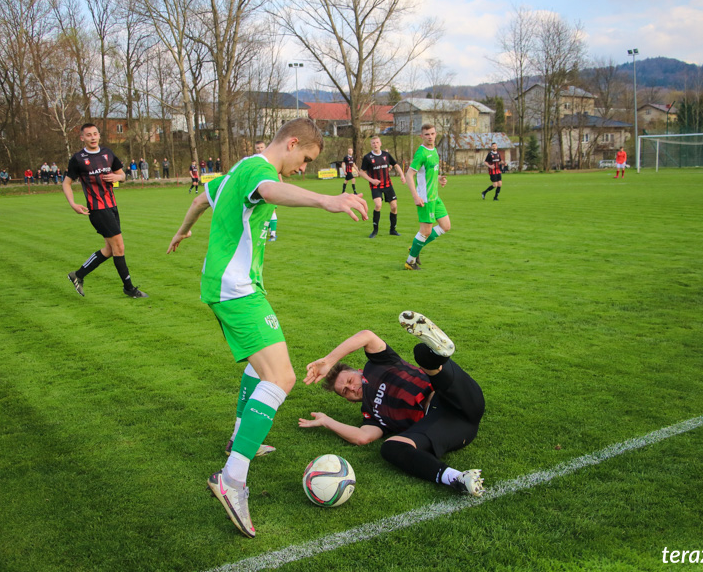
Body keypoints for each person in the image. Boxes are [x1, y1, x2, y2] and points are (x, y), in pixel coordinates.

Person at [166, 118, 368, 538]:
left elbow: (201, 201)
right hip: (237, 290)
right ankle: (232, 477)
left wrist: (183, 230)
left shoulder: (233, 172)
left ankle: (242, 437)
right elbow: (272, 190)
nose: (304, 168)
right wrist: (325, 201)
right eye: (306, 159)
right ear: (292, 143)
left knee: (261, 367)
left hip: (224, 286)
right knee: (283, 376)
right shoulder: (259, 172)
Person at [301, 311, 485, 497]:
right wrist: (326, 421)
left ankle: (439, 353)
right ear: (347, 399)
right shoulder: (371, 415)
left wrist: (329, 361)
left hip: (457, 397)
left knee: (422, 354)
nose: (351, 389)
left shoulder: (377, 364)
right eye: (345, 392)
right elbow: (361, 437)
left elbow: (366, 336)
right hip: (448, 427)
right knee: (390, 447)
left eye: (350, 381)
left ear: (358, 371)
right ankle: (458, 479)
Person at [63, 123, 148, 299]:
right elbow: (67, 183)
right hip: (97, 209)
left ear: (99, 135)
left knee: (109, 249)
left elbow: (122, 175)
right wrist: (73, 204)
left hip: (112, 206)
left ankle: (78, 275)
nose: (92, 137)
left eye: (95, 134)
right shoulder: (78, 159)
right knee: (119, 247)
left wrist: (117, 177)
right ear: (82, 138)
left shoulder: (108, 153)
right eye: (88, 135)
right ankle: (129, 288)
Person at [403, 124, 449, 270]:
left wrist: (439, 178)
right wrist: (416, 197)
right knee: (426, 230)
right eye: (427, 134)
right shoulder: (421, 153)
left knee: (445, 226)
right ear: (421, 136)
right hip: (425, 198)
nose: (430, 137)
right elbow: (409, 175)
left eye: (432, 133)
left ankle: (415, 248)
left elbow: (429, 172)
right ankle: (410, 262)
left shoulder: (434, 150)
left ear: (436, 134)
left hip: (435, 196)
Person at [359, 136, 405, 239]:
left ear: (380, 143)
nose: (375, 144)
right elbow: (361, 172)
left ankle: (393, 230)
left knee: (394, 207)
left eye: (377, 142)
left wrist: (402, 175)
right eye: (373, 143)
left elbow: (396, 165)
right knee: (378, 205)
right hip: (376, 186)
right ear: (371, 145)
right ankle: (375, 231)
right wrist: (372, 180)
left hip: (388, 185)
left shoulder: (386, 155)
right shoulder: (367, 157)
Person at [255, 141, 280, 241]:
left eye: (261, 147)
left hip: (271, 187)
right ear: (255, 149)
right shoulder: (254, 161)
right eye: (257, 148)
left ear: (265, 148)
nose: (260, 149)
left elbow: (278, 172)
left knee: (271, 209)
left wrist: (281, 184)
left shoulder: (271, 159)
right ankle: (263, 233)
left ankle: (273, 234)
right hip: (258, 189)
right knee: (261, 210)